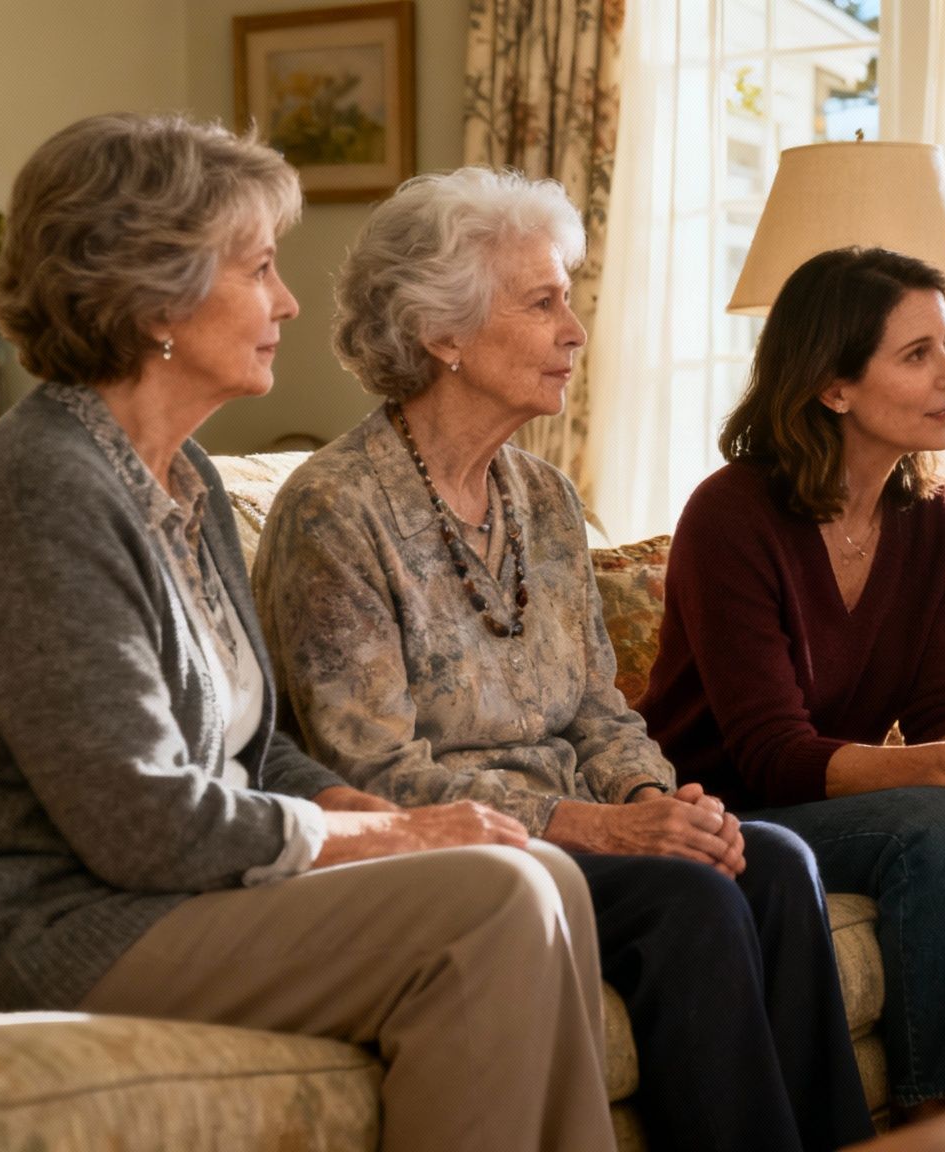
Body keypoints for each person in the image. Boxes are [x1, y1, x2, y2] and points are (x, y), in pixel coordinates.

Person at [0, 114, 614, 1152]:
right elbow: (141, 819)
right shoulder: (41, 491)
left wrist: (340, 803)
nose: (288, 302)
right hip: (31, 920)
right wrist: (383, 832)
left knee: (547, 874)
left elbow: (250, 752)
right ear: (157, 294)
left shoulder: (187, 478)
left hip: (155, 892)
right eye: (260, 268)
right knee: (487, 909)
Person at [252, 166, 872, 1152]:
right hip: (465, 858)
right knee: (688, 902)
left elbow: (598, 711)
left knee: (775, 861)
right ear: (439, 333)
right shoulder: (336, 511)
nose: (574, 330)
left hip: (578, 833)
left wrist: (651, 805)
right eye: (543, 302)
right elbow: (369, 769)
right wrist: (599, 828)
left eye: (568, 300)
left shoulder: (542, 498)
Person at [636, 247, 945, 1119]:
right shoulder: (731, 515)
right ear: (834, 385)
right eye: (917, 354)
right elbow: (771, 755)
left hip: (823, 802)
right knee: (939, 820)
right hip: (729, 812)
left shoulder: (940, 517)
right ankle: (938, 1115)